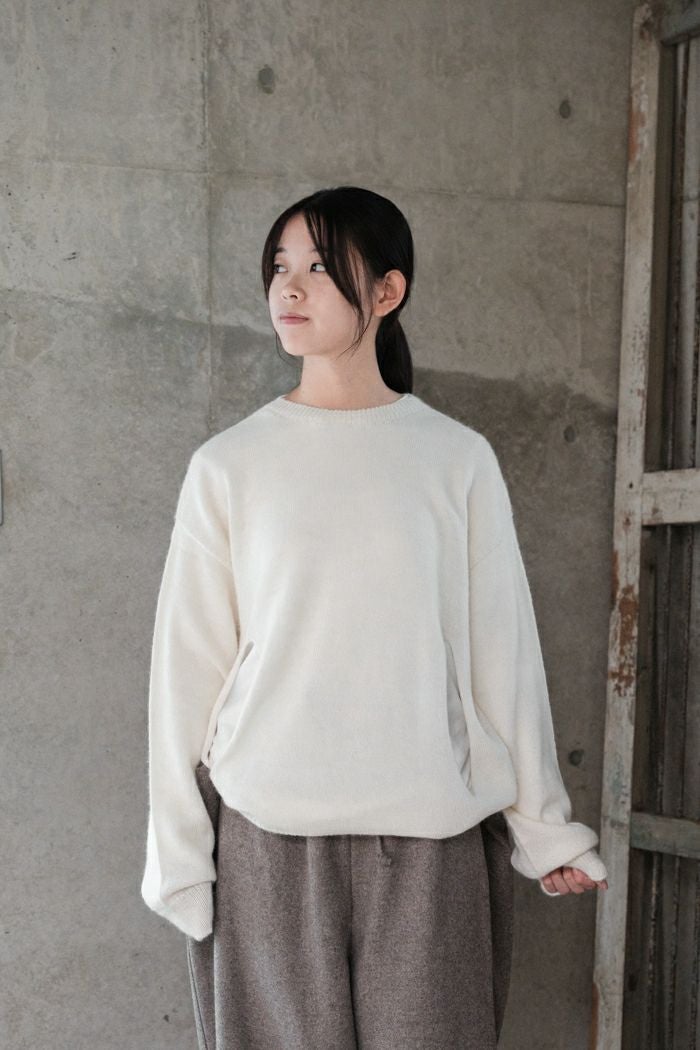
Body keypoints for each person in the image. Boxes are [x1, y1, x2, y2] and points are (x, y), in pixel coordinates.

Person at [140, 185, 609, 1049]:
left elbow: (502, 653)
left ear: (387, 290)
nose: (289, 287)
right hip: (267, 843)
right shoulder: (229, 467)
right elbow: (186, 672)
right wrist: (179, 855)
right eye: (279, 266)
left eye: (320, 267)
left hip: (431, 845)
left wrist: (546, 830)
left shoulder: (456, 460)